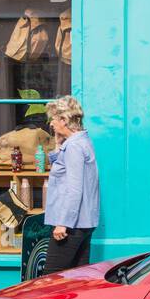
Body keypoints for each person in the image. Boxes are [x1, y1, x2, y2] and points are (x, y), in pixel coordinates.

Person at [42, 96, 100, 273]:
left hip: (71, 225)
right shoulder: (80, 141)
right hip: (83, 223)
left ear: (64, 120)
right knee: (77, 279)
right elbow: (63, 171)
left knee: (50, 279)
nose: (51, 123)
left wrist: (63, 223)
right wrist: (58, 145)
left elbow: (75, 189)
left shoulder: (74, 147)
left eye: (53, 118)